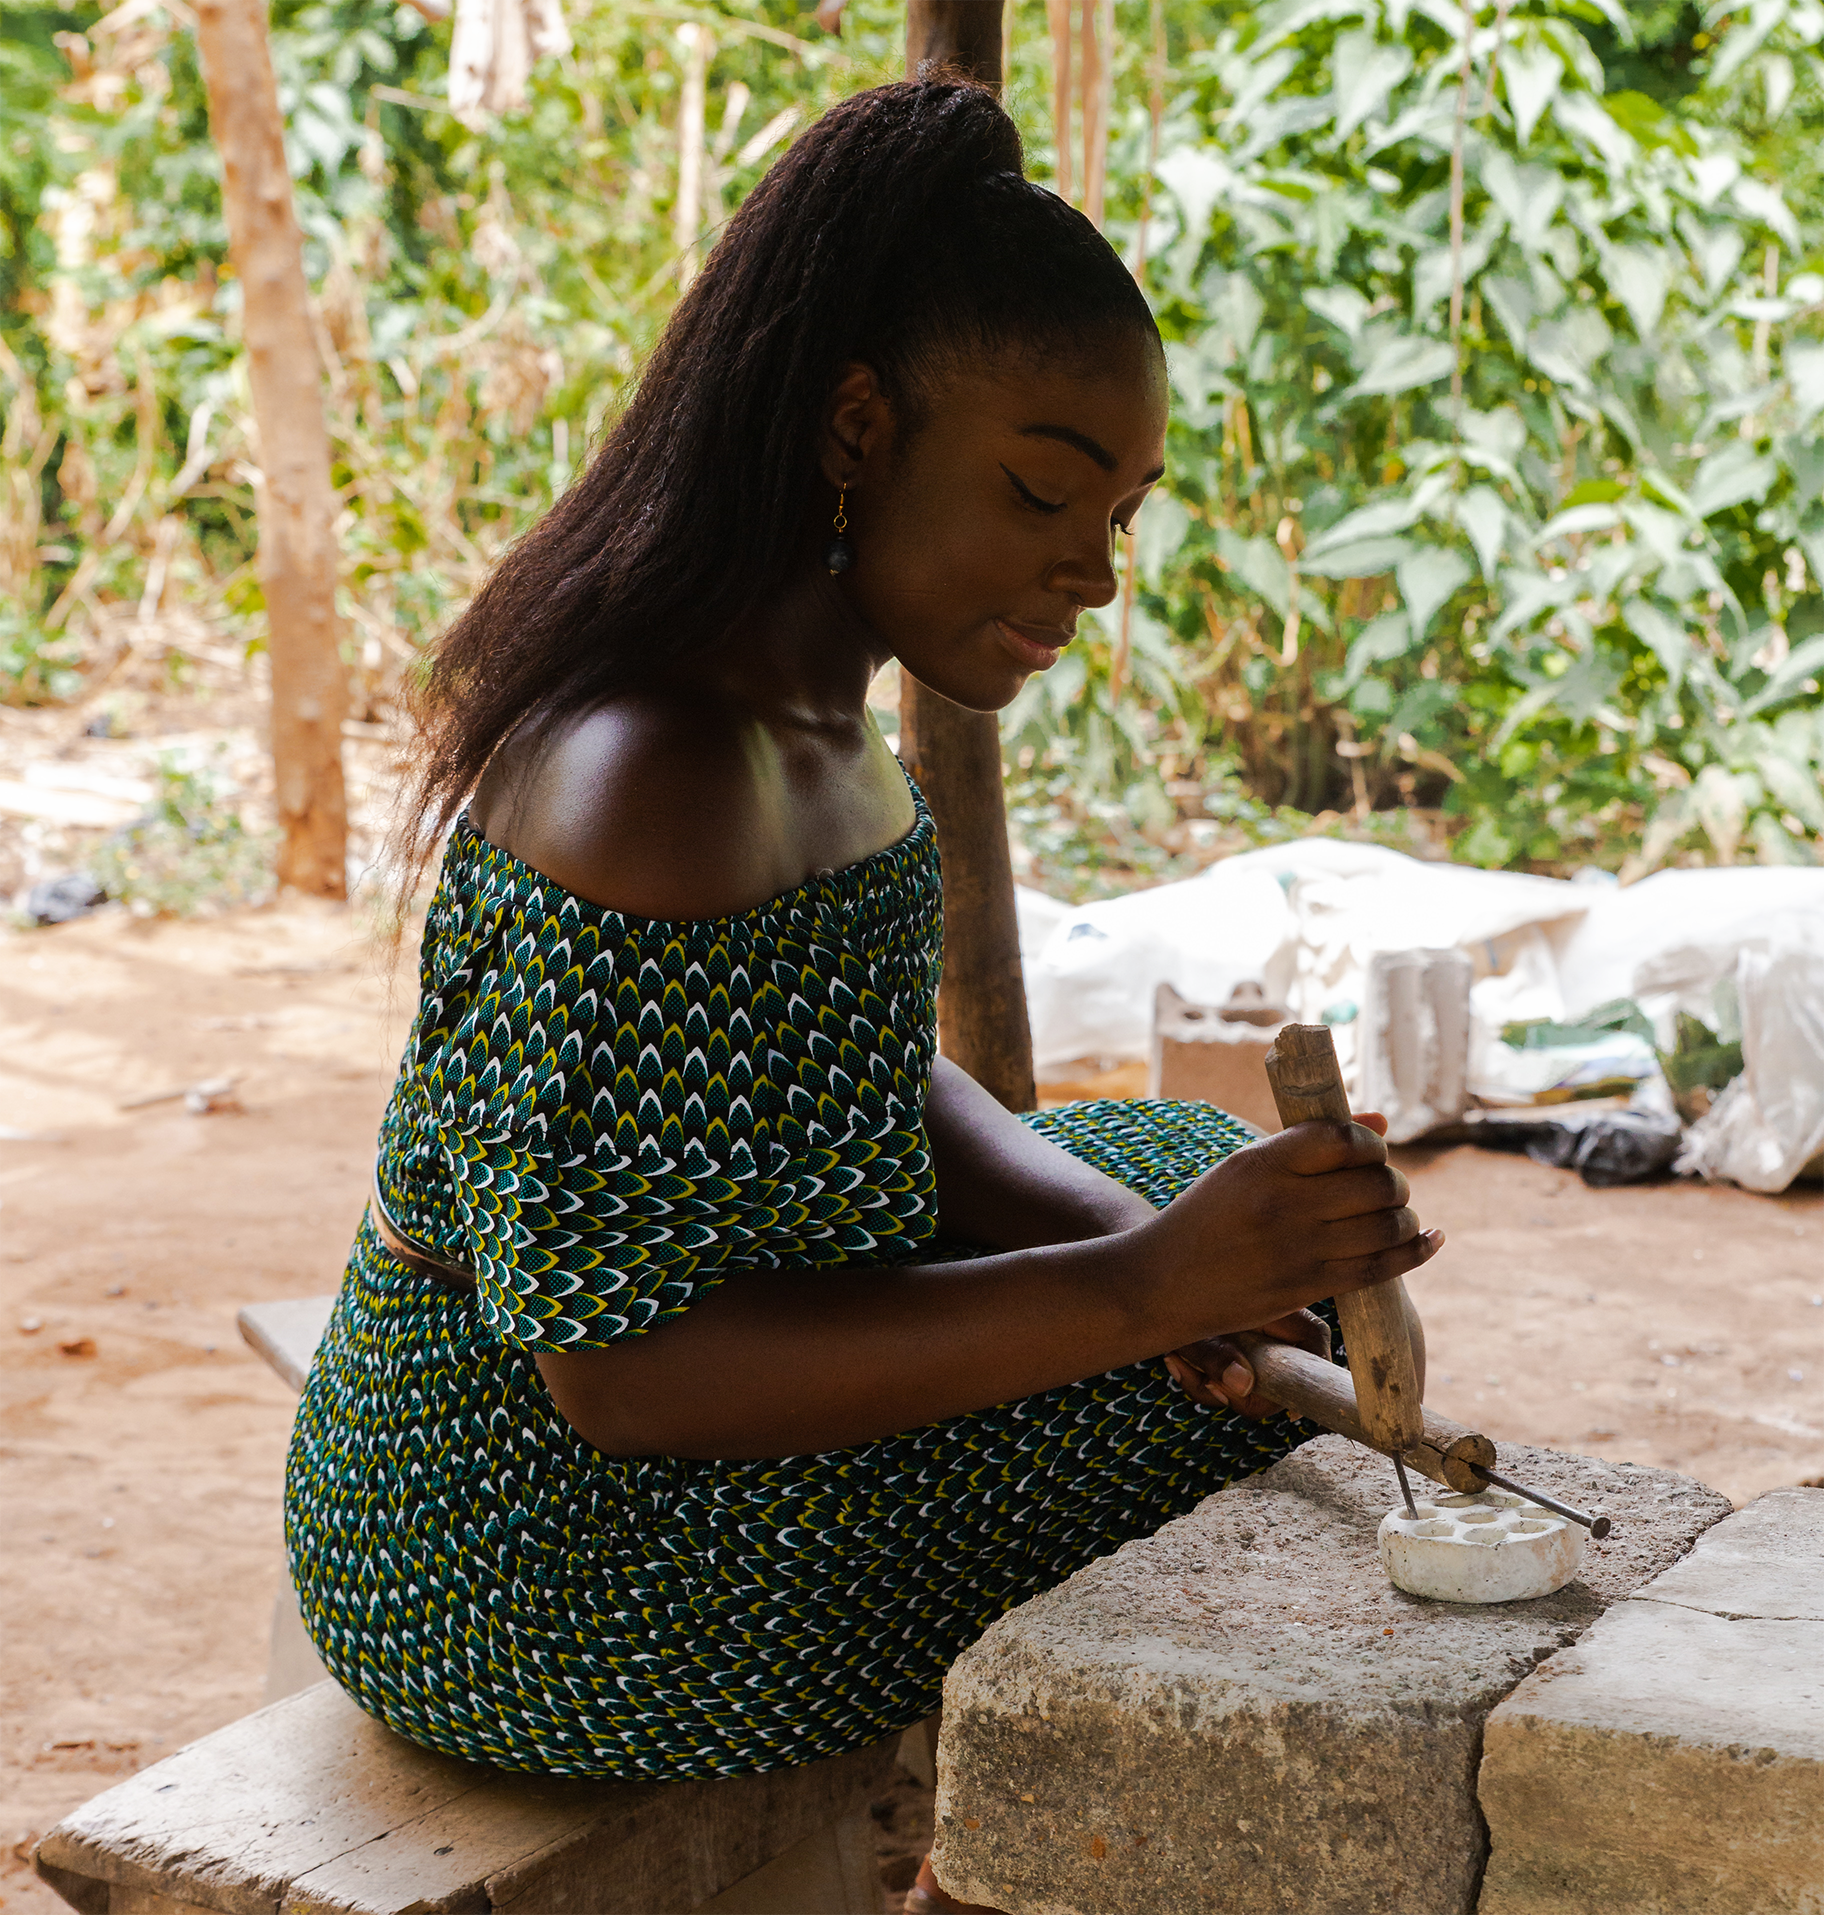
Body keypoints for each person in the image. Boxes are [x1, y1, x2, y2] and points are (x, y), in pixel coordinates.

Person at [285, 77, 1440, 1915]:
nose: (1095, 567)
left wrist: (1150, 1232)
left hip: (689, 1419)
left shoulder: (818, 709)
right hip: (534, 1552)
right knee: (1169, 1413)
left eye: (1122, 511)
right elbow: (631, 1371)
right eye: (1044, 488)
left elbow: (866, 1070)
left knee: (1170, 1156)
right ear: (855, 422)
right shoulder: (652, 775)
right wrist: (1147, 1287)